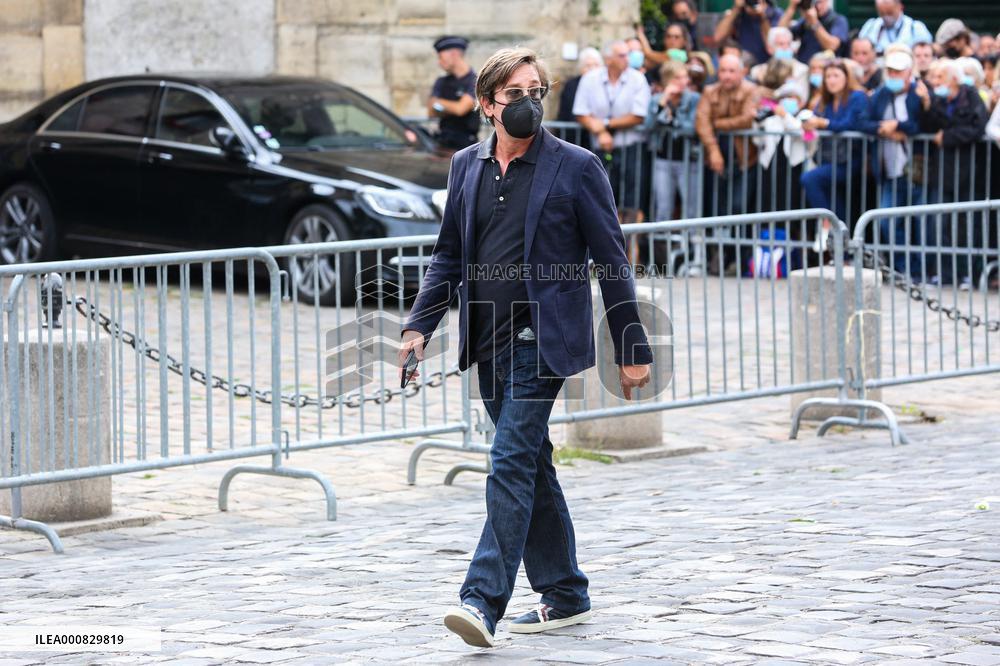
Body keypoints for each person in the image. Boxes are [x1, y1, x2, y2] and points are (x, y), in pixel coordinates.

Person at [400, 46, 653, 649]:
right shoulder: (466, 165)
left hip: (544, 340)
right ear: (488, 104)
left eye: (536, 91)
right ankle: (565, 591)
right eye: (514, 94)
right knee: (532, 466)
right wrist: (419, 325)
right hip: (486, 339)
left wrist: (631, 344)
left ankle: (481, 600)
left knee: (509, 461)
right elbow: (448, 254)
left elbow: (612, 261)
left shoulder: (577, 165)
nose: (528, 103)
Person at [917, 58, 989, 287]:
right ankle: (946, 273)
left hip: (968, 172)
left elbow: (977, 128)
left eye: (940, 78)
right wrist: (927, 105)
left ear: (954, 80)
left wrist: (948, 137)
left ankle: (968, 273)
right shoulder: (937, 99)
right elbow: (929, 126)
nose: (936, 82)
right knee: (941, 223)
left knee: (966, 224)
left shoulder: (971, 96)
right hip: (942, 171)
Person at [858, 49, 926, 276]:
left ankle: (918, 272)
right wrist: (883, 129)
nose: (894, 76)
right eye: (890, 71)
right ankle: (900, 269)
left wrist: (898, 126)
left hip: (917, 170)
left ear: (909, 72)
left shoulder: (920, 92)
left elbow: (921, 125)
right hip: (889, 171)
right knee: (887, 222)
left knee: (919, 224)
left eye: (898, 72)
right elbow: (864, 121)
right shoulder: (881, 94)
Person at [573, 40, 652, 227]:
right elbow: (581, 112)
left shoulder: (637, 79)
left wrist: (606, 124)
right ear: (609, 59)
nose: (628, 59)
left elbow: (639, 115)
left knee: (632, 202)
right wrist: (600, 131)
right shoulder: (590, 79)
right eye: (622, 55)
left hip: (632, 148)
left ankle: (631, 251)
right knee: (603, 200)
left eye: (628, 54)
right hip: (600, 149)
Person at [695, 53, 759, 270]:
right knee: (715, 207)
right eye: (723, 70)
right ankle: (718, 256)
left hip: (745, 160)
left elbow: (747, 119)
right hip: (717, 158)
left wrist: (719, 123)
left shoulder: (751, 90)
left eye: (732, 71)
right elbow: (702, 122)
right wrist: (713, 150)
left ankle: (740, 259)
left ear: (742, 72)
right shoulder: (709, 91)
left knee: (739, 206)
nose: (727, 75)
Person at [800, 59, 869, 227]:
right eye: (828, 76)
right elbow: (816, 119)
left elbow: (850, 123)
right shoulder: (825, 101)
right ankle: (839, 236)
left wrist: (823, 123)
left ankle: (828, 223)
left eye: (836, 75)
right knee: (836, 203)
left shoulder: (857, 97)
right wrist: (809, 123)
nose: (831, 80)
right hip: (828, 158)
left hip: (850, 160)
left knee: (810, 179)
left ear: (846, 77)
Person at [647, 60, 701, 222]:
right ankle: (662, 244)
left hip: (688, 159)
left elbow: (692, 127)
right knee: (663, 206)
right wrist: (663, 103)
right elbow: (648, 125)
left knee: (691, 207)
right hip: (663, 158)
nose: (684, 81)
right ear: (668, 80)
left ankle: (693, 244)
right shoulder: (657, 99)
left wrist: (671, 121)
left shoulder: (694, 99)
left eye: (685, 77)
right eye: (678, 77)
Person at [429, 36, 480, 150]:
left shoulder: (475, 80)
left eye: (441, 57)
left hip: (466, 145)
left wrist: (439, 105)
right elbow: (431, 111)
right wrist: (448, 107)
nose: (439, 62)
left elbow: (460, 109)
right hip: (443, 143)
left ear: (454, 54)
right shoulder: (441, 82)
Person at [712, 0, 782, 69]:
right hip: (741, 65)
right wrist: (736, 8)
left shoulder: (775, 13)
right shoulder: (739, 12)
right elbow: (718, 38)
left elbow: (771, 46)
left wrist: (762, 17)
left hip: (766, 64)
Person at [558, 47, 602, 149]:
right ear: (581, 68)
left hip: (597, 139)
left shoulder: (605, 85)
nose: (592, 69)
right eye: (588, 66)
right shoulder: (572, 85)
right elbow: (570, 112)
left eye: (596, 65)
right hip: (575, 139)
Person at [779, 0, 849, 64]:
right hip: (804, 68)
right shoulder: (805, 21)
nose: (817, 6)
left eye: (819, 2)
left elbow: (832, 46)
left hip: (825, 69)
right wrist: (792, 7)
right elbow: (780, 32)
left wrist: (814, 23)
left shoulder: (838, 20)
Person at [750, 26, 810, 99]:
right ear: (769, 48)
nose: (785, 48)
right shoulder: (757, 71)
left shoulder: (802, 70)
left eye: (788, 44)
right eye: (781, 44)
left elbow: (802, 99)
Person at [857, 0, 932, 55]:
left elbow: (927, 55)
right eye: (882, 13)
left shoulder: (915, 27)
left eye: (889, 13)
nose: (886, 17)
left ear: (900, 7)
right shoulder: (870, 26)